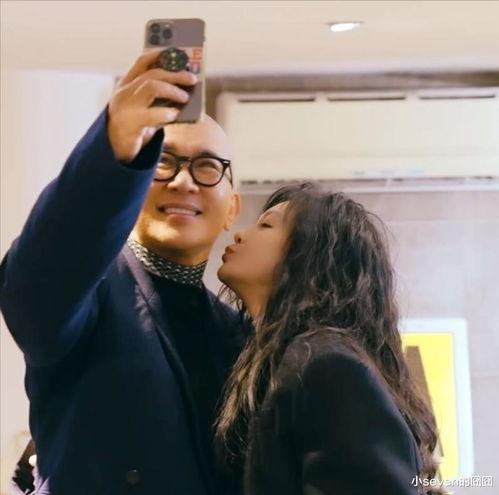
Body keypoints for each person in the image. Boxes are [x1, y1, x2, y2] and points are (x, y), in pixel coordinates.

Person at [0, 48, 245, 494]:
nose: (183, 181)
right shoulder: (88, 296)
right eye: (163, 161)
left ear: (232, 209)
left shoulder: (240, 335)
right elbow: (38, 279)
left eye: (207, 166)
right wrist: (117, 141)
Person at [215, 182, 444, 495]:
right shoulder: (291, 360)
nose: (240, 235)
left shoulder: (327, 365)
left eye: (266, 225)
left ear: (312, 258)